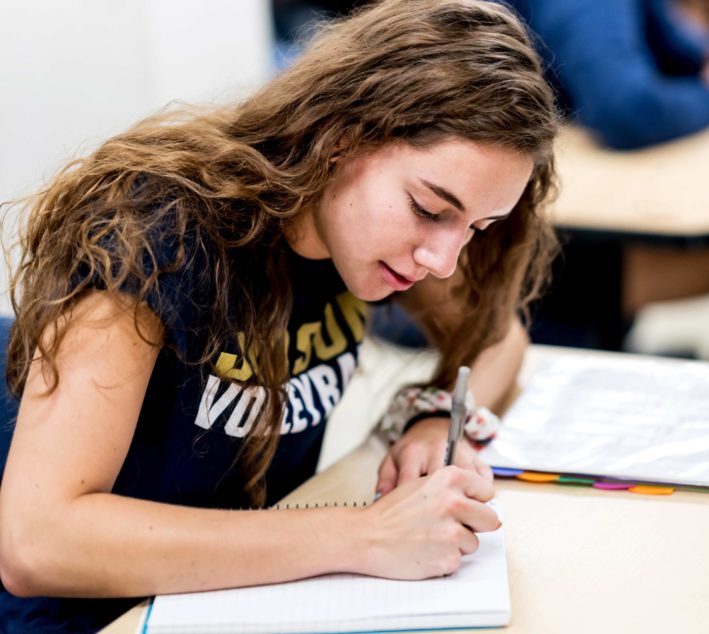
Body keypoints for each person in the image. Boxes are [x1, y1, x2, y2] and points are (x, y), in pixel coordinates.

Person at [0, 0, 560, 631]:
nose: (444, 262)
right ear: (340, 139)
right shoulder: (152, 236)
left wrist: (432, 421)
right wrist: (363, 536)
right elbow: (36, 541)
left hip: (232, 599)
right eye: (430, 210)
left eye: (477, 228)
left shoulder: (371, 242)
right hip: (88, 616)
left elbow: (496, 340)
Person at [510, 0, 709, 368]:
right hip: (527, 262)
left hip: (552, 218)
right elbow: (626, 110)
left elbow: (678, 52)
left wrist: (705, 62)